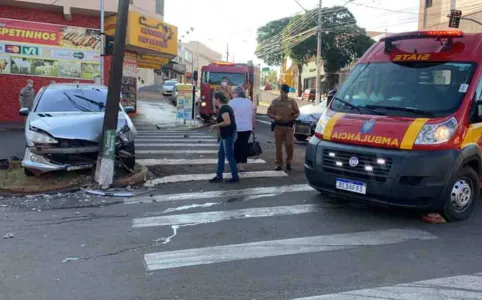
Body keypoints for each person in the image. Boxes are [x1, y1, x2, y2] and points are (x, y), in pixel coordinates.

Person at [267, 84, 300, 171]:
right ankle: (278, 164)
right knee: (278, 147)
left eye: (285, 92)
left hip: (289, 127)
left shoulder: (292, 102)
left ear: (288, 92)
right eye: (282, 92)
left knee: (289, 145)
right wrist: (274, 117)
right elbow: (269, 113)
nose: (283, 94)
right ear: (280, 91)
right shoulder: (275, 102)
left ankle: (288, 162)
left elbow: (297, 112)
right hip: (278, 127)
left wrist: (294, 116)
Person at [209, 92, 239, 183]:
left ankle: (235, 176)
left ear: (218, 99)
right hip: (226, 134)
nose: (213, 100)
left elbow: (227, 122)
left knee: (229, 156)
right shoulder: (224, 108)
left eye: (214, 99)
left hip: (228, 134)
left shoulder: (225, 108)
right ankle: (219, 175)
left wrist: (215, 126)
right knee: (221, 155)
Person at [230, 86, 256, 174]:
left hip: (235, 128)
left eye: (233, 93)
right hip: (247, 128)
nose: (232, 95)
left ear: (236, 93)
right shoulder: (249, 102)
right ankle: (242, 167)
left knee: (235, 146)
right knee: (243, 146)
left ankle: (235, 165)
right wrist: (253, 127)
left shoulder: (232, 102)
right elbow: (253, 116)